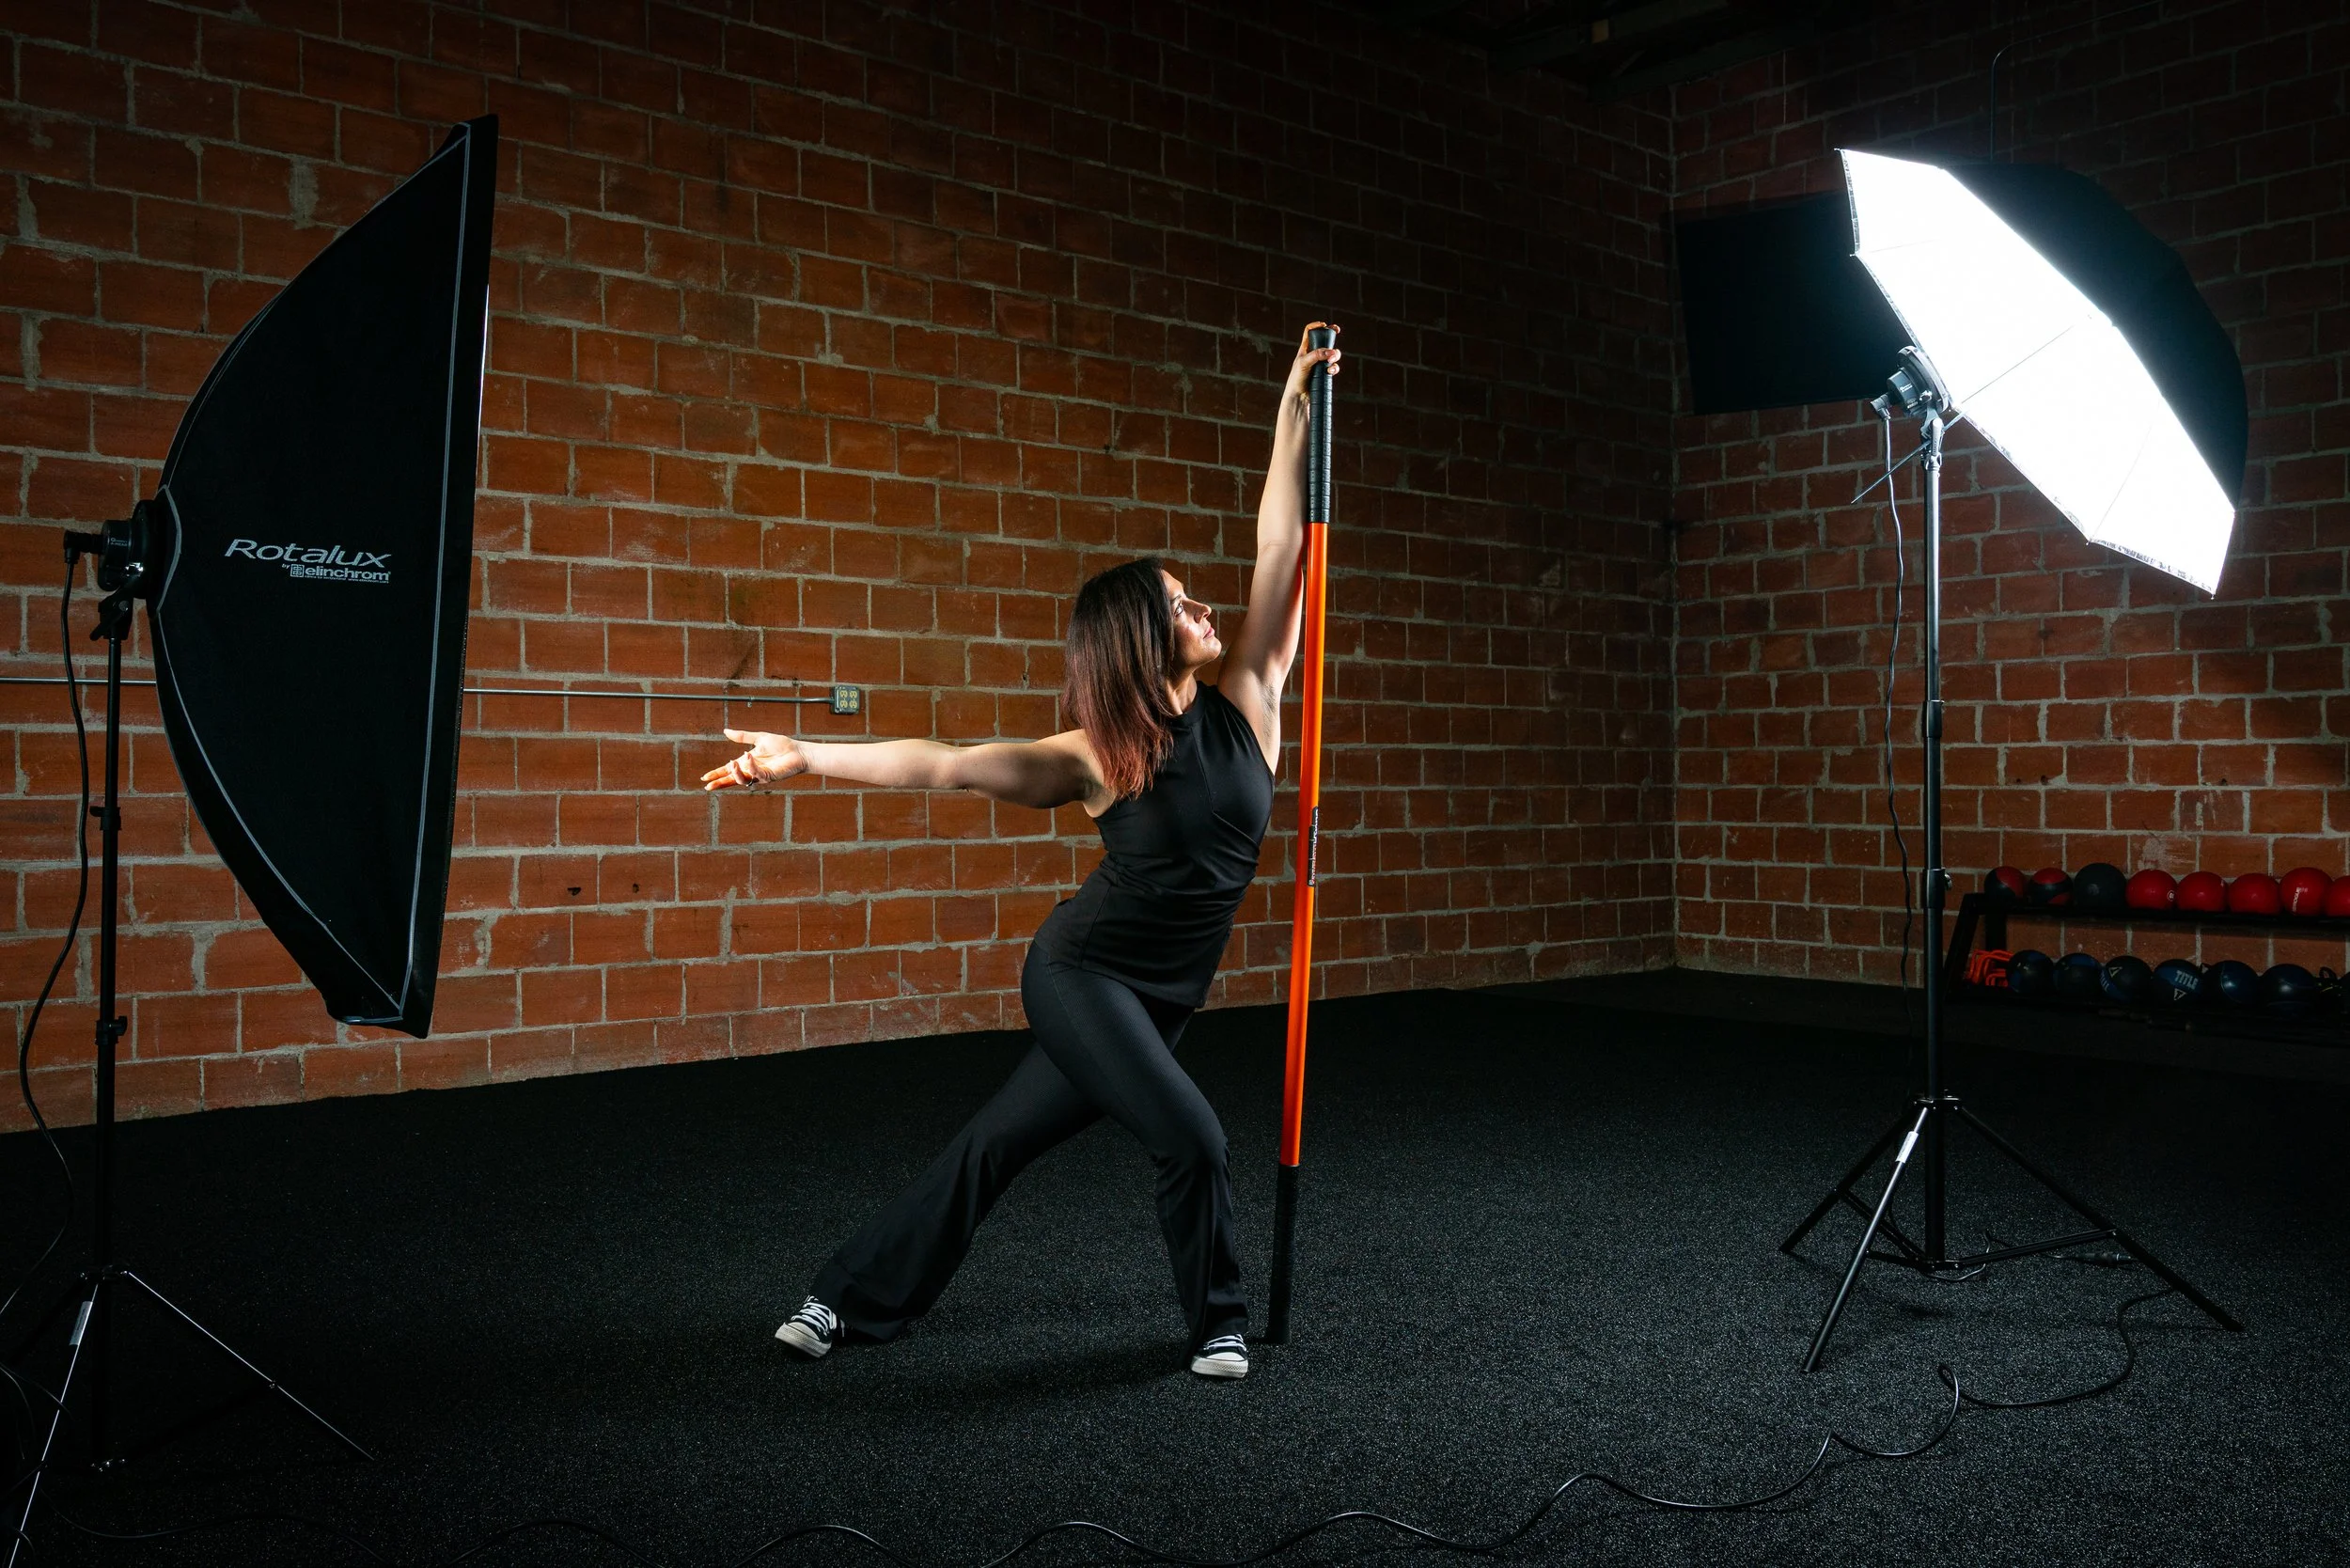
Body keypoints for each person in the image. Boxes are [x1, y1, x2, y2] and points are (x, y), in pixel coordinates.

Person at [701, 323, 1341, 1379]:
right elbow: (945, 763)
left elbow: (1282, 546)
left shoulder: (1253, 704)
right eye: (1182, 604)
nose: (1206, 608)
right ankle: (1216, 1324)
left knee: (995, 1145)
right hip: (1083, 976)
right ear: (1141, 635)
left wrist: (1295, 403)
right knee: (1193, 1137)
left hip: (1163, 993)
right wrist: (806, 757)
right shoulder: (1094, 755)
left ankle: (841, 1298)